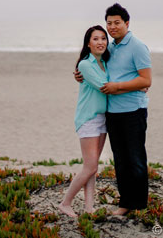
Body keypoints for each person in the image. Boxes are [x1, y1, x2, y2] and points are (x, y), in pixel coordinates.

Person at [75, 3, 152, 215]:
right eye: (109, 23)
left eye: (117, 22)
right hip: (112, 112)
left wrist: (118, 87)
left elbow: (146, 80)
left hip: (133, 110)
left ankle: (139, 205)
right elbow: (93, 65)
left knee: (135, 158)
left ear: (127, 23)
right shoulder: (111, 47)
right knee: (120, 159)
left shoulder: (137, 46)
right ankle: (126, 204)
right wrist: (78, 74)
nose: (112, 27)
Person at [58, 25, 110, 217]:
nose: (100, 42)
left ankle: (89, 208)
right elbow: (103, 86)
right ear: (88, 43)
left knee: (93, 167)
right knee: (90, 167)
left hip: (103, 118)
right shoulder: (85, 65)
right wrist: (137, 87)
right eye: (95, 39)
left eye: (103, 38)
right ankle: (65, 203)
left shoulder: (105, 62)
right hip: (88, 118)